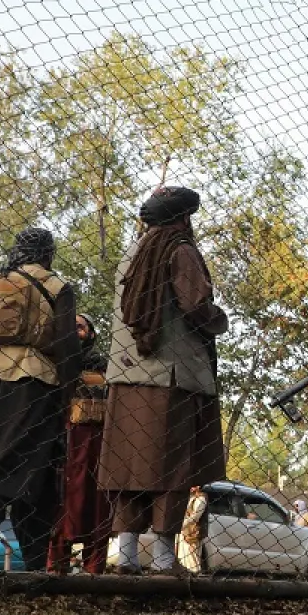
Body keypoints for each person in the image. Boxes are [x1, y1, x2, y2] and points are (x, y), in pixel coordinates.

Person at [100, 187, 228, 576]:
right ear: (185, 218)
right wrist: (220, 320)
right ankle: (164, 559)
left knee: (129, 468)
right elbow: (195, 306)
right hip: (172, 376)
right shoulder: (181, 250)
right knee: (172, 469)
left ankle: (125, 556)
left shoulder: (132, 253)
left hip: (126, 377)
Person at [0, 227, 79, 573]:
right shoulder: (57, 287)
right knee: (35, 468)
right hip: (38, 382)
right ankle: (36, 564)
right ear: (48, 254)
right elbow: (68, 345)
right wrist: (67, 393)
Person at [47, 313, 113, 575]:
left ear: (92, 333)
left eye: (81, 327)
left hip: (98, 446)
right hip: (63, 445)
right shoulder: (54, 363)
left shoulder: (105, 367)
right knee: (61, 506)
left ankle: (94, 573)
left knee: (97, 505)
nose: (76, 332)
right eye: (70, 327)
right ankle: (54, 571)